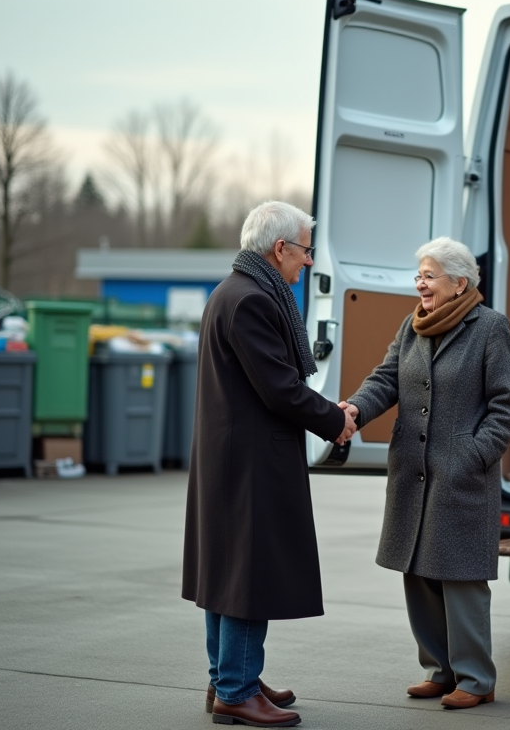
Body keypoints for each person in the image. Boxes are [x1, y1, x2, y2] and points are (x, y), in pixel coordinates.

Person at [182, 201, 357, 728]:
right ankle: (235, 690)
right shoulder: (253, 301)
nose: (307, 262)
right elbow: (280, 388)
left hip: (231, 456)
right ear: (279, 247)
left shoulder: (233, 292)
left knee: (225, 571)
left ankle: (228, 678)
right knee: (246, 574)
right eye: (304, 250)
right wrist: (335, 419)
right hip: (250, 461)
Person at [344, 237, 510, 710]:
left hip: (461, 474)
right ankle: (440, 671)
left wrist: (473, 455)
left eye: (429, 275)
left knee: (460, 577)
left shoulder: (490, 328)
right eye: (419, 274)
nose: (419, 283)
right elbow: (386, 379)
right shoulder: (413, 326)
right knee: (419, 573)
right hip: (414, 471)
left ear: (459, 283)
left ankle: (476, 680)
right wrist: (355, 410)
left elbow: (508, 406)